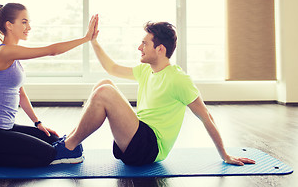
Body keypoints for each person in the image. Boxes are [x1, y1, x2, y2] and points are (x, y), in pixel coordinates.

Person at [62, 20, 256, 166]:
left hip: (149, 148)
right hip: (136, 139)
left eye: (144, 43)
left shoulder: (178, 79)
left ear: (160, 49)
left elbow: (206, 117)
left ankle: (68, 148)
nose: (139, 47)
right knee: (104, 83)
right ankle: (70, 141)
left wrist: (225, 155)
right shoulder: (147, 70)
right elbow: (111, 68)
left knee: (105, 91)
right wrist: (93, 41)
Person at [0, 3, 98, 168]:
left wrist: (38, 123)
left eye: (28, 22)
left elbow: (21, 94)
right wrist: (86, 38)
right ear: (9, 25)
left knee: (52, 140)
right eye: (24, 22)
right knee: (48, 155)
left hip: (6, 128)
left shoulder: (14, 55)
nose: (29, 27)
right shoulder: (4, 52)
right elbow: (52, 50)